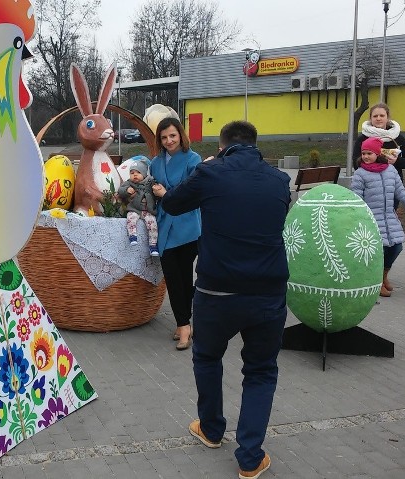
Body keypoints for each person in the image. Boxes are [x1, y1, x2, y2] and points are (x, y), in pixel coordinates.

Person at [160, 121, 289, 479]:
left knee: (207, 356)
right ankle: (250, 458)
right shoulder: (279, 180)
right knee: (261, 371)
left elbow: (171, 202)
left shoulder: (210, 172)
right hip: (268, 293)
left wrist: (208, 168)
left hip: (217, 291)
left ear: (223, 145)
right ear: (255, 144)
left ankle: (212, 429)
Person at [149, 117, 201, 350]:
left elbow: (191, 192)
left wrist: (165, 193)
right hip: (164, 225)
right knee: (172, 277)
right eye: (164, 137)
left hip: (187, 224)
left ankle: (184, 326)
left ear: (180, 134)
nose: (169, 140)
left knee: (183, 276)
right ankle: (184, 323)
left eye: (172, 135)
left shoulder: (193, 159)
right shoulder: (155, 163)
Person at [350, 137, 405, 297]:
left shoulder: (390, 171)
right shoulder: (360, 174)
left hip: (390, 217)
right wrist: (360, 218)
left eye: (369, 153)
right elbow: (356, 198)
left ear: (378, 153)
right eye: (363, 153)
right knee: (379, 251)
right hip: (371, 219)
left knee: (397, 247)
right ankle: (377, 282)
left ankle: (383, 276)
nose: (366, 156)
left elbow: (401, 192)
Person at [353, 103, 405, 180]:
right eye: (375, 116)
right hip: (370, 182)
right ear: (370, 118)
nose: (378, 119)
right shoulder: (363, 138)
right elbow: (356, 163)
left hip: (394, 183)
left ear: (387, 117)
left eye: (382, 116)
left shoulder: (397, 137)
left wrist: (397, 161)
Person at [117, 159, 158, 256]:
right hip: (134, 209)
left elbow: (157, 188)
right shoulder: (129, 183)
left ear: (144, 173)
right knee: (131, 219)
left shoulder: (150, 182)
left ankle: (153, 245)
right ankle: (132, 236)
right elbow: (120, 190)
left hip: (148, 210)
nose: (134, 175)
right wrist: (127, 190)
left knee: (153, 225)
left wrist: (157, 187)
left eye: (138, 172)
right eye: (132, 173)